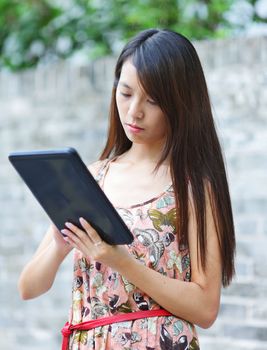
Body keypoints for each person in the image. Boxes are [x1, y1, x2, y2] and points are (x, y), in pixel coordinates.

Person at [18, 28, 236, 350]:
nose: (134, 111)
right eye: (125, 92)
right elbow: (28, 287)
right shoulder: (91, 177)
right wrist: (59, 247)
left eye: (153, 100)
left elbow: (205, 308)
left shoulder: (193, 187)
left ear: (181, 104)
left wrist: (122, 262)